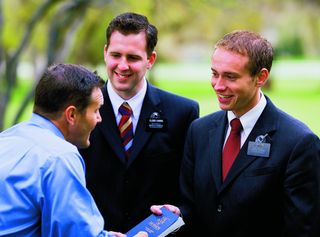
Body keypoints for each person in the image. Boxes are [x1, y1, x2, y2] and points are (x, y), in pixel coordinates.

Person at [151, 30, 320, 236]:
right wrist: (178, 216)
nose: (218, 85)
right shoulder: (199, 131)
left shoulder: (298, 143)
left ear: (261, 77)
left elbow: (302, 230)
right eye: (214, 73)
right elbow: (192, 208)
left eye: (230, 77)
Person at [79, 12, 199, 233]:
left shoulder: (183, 113)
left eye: (133, 57)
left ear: (150, 59)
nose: (122, 66)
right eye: (116, 55)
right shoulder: (78, 111)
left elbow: (191, 192)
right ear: (105, 53)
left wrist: (179, 212)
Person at [0, 64, 147, 237]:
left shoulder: (7, 138)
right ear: (71, 115)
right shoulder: (60, 156)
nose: (99, 119)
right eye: (96, 110)